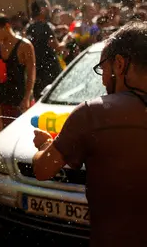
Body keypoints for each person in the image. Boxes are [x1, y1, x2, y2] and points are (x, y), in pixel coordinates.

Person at [32, 21, 147, 247]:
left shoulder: (94, 113)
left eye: (103, 70)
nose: (103, 80)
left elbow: (42, 169)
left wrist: (46, 145)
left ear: (120, 65)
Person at [0, 14, 36, 128]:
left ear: (6, 26)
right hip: (6, 97)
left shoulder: (25, 45)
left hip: (22, 94)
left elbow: (31, 73)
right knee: (9, 130)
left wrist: (27, 97)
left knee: (26, 129)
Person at [26, 0, 67, 100]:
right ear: (42, 9)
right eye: (48, 6)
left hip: (38, 74)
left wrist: (56, 30)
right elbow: (57, 48)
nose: (50, 9)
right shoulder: (45, 26)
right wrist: (66, 40)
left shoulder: (29, 28)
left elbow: (40, 40)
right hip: (50, 73)